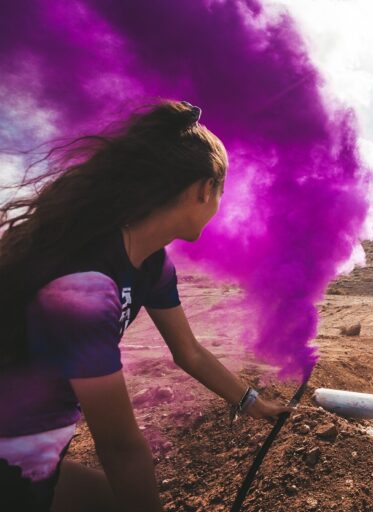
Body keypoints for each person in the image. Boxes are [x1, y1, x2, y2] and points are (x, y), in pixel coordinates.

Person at [0, 101, 290, 512]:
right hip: (12, 463)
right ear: (205, 188)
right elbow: (119, 447)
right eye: (221, 192)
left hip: (36, 460)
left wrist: (249, 401)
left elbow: (188, 352)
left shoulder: (152, 264)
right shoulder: (83, 288)